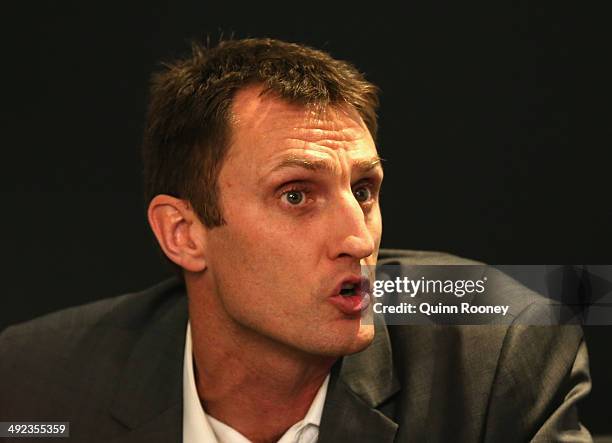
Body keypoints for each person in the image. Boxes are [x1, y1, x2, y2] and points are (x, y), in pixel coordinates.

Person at [0, 38, 592, 442]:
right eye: (296, 195)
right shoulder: (37, 385)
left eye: (363, 189)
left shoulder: (500, 353)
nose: (359, 240)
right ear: (184, 234)